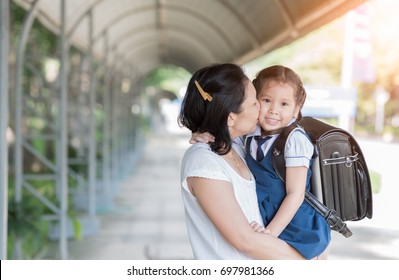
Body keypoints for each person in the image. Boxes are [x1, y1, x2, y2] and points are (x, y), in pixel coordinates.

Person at [191, 65, 331, 260]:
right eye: (266, 101)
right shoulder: (251, 133)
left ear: (296, 109)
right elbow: (225, 132)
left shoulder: (295, 140)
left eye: (284, 104)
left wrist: (270, 233)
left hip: (293, 223)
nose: (273, 111)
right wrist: (201, 134)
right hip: (268, 219)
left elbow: (295, 193)